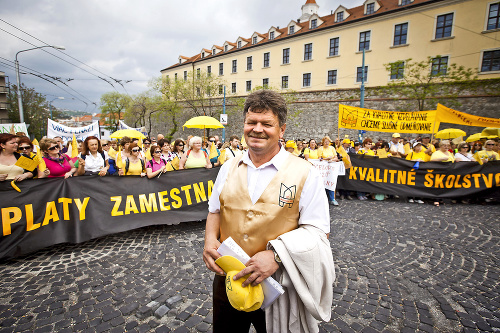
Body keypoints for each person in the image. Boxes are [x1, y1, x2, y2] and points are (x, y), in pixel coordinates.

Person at [203, 89, 334, 333]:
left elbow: (318, 231)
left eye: (267, 123)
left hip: (278, 284)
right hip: (228, 280)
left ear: (282, 130)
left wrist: (276, 256)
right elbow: (215, 211)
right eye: (251, 122)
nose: (257, 129)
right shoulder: (227, 167)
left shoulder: (306, 173)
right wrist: (210, 239)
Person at [317, 136, 339, 205]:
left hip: (331, 169)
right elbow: (319, 159)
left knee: (331, 181)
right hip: (323, 169)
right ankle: (322, 199)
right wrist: (326, 158)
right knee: (323, 183)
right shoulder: (321, 149)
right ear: (323, 142)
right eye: (325, 141)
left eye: (328, 141)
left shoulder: (332, 148)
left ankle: (332, 199)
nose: (327, 143)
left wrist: (331, 160)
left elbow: (336, 157)